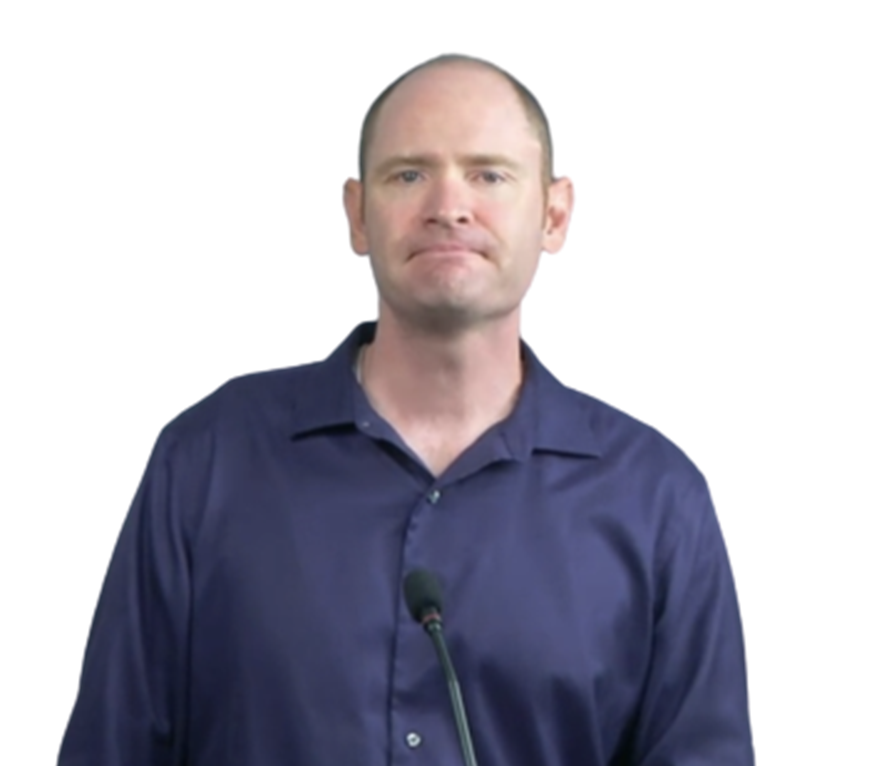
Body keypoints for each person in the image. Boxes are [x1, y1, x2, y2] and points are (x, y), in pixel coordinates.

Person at [59, 56, 753, 765]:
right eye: (409, 175)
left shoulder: (652, 500)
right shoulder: (211, 463)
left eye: (489, 175)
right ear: (357, 214)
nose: (448, 206)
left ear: (553, 215)